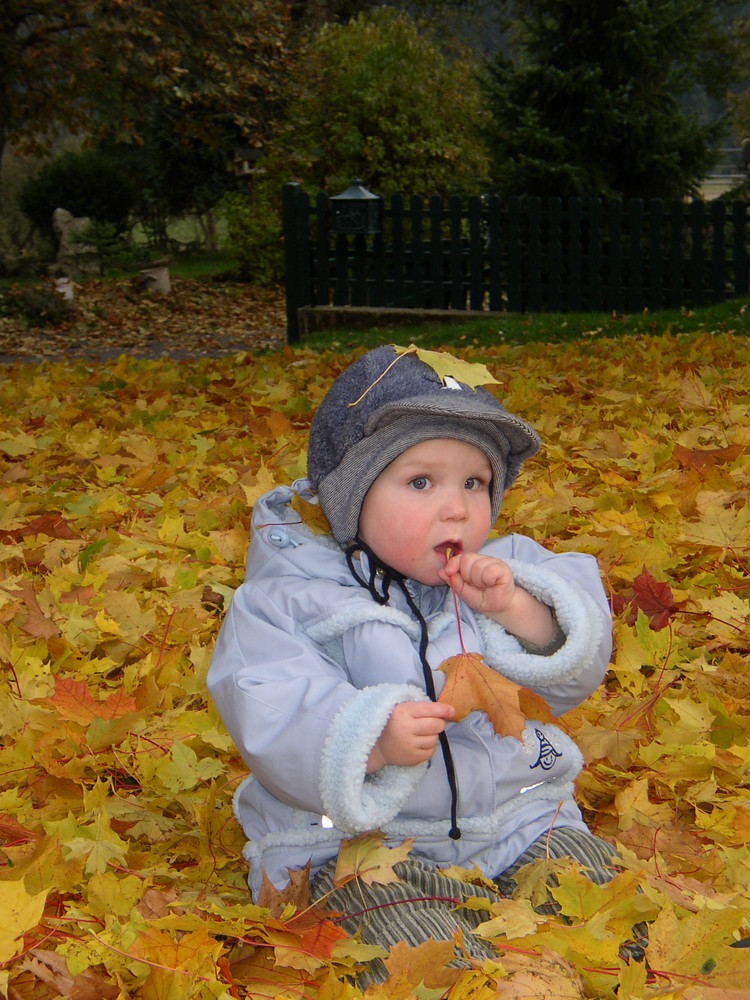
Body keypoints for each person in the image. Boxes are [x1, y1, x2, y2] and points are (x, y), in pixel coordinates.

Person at [207, 345, 634, 976]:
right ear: (354, 498)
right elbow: (267, 698)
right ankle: (473, 974)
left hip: (516, 817)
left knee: (599, 888)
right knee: (408, 936)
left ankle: (666, 964)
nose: (457, 506)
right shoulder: (289, 598)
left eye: (475, 482)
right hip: (356, 843)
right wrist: (369, 738)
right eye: (421, 482)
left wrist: (518, 610)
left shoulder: (509, 572)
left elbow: (573, 672)